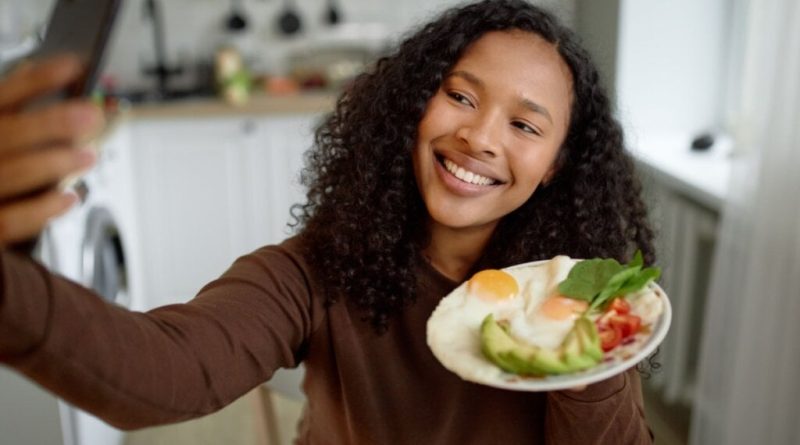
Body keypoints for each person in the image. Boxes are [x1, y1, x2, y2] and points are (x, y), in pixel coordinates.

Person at [0, 1, 655, 443]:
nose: (481, 137)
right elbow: (167, 369)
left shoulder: (576, 298)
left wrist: (582, 351)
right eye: (459, 95)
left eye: (523, 124)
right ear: (411, 107)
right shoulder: (315, 270)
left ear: (554, 164)